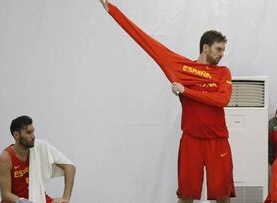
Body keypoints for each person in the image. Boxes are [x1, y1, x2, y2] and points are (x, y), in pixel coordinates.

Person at [99, 1, 235, 202]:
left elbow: (222, 99)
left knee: (222, 197)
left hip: (218, 140)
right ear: (205, 48)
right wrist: (112, 10)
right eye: (219, 49)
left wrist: (186, 91)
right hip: (192, 140)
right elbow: (144, 40)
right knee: (186, 195)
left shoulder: (223, 72)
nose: (222, 54)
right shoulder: (180, 67)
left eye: (223, 50)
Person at [0, 115, 76, 203]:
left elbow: (70, 168)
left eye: (33, 132)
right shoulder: (5, 158)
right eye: (28, 133)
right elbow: (5, 194)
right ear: (16, 135)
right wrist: (21, 201)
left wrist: (65, 198)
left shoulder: (40, 147)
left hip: (38, 198)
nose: (33, 136)